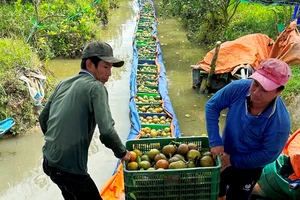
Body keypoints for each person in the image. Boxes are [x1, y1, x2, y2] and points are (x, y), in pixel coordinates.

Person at [39, 41, 131, 200]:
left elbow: (43, 118)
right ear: (90, 65)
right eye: (105, 67)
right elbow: (107, 132)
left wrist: (57, 142)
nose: (109, 73)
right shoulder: (96, 87)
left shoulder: (63, 83)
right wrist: (122, 153)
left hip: (49, 162)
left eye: (110, 68)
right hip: (70, 170)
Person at [205, 58, 291, 200]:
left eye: (264, 89)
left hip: (249, 166)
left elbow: (268, 155)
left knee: (239, 195)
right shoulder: (238, 88)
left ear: (278, 92)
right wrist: (215, 141)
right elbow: (212, 106)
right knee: (216, 190)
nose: (256, 92)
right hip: (223, 153)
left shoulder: (280, 123)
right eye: (255, 84)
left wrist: (232, 160)